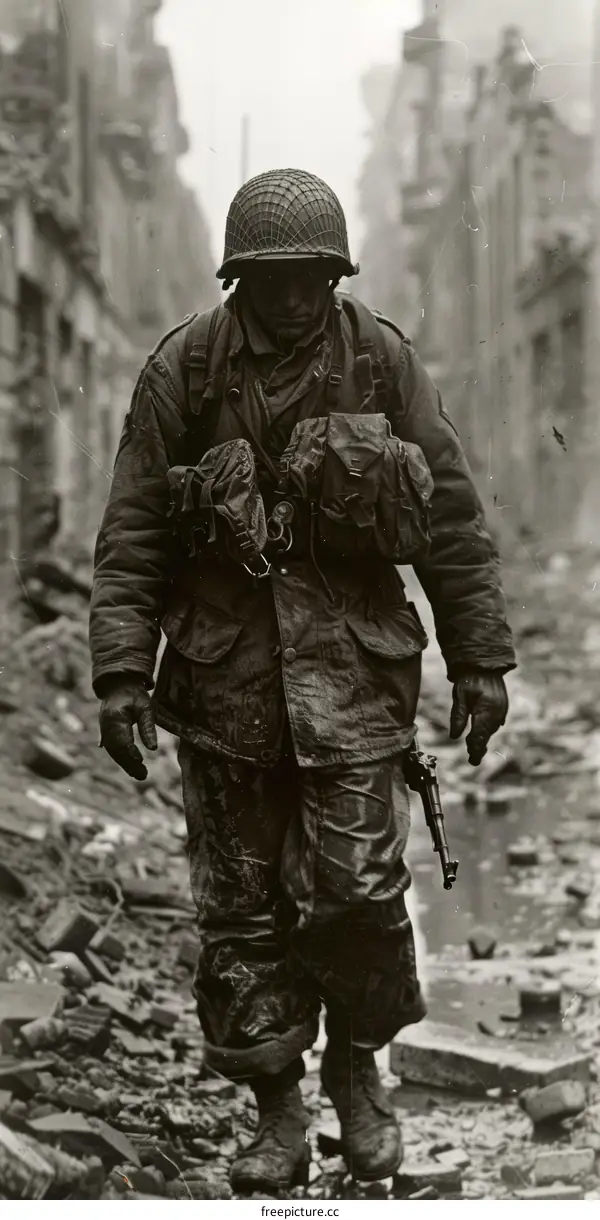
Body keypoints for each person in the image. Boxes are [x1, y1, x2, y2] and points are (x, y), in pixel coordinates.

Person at [89, 168, 516, 1194]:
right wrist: (119, 674)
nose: (293, 297)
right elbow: (135, 529)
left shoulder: (378, 360)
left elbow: (450, 518)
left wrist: (481, 656)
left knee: (361, 891)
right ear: (241, 276)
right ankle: (277, 1108)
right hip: (225, 683)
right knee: (240, 908)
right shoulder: (186, 368)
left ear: (335, 274)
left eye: (311, 276)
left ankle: (359, 1073)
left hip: (358, 683)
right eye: (273, 277)